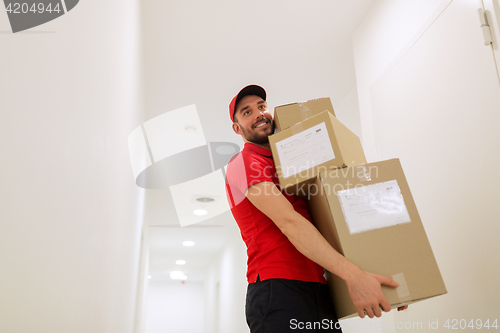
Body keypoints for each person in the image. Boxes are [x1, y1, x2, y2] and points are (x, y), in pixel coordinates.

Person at [225, 85, 407, 332]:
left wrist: (378, 277)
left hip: (319, 285)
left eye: (261, 106)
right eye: (246, 112)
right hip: (278, 287)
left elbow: (334, 221)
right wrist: (354, 276)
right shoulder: (243, 162)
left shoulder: (290, 165)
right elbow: (289, 221)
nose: (258, 114)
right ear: (237, 128)